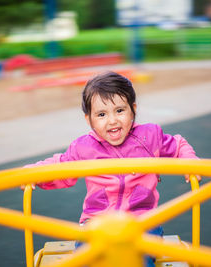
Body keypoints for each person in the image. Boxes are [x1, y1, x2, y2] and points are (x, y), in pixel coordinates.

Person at [23, 71, 200, 266]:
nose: (112, 120)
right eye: (101, 114)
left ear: (133, 109)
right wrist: (33, 173)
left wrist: (190, 162)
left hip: (142, 222)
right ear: (88, 119)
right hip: (96, 223)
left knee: (137, 258)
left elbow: (178, 145)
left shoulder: (149, 137)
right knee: (89, 259)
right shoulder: (84, 148)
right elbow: (59, 166)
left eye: (120, 111)